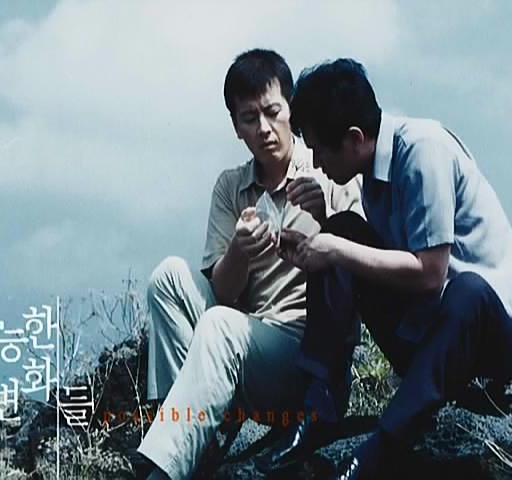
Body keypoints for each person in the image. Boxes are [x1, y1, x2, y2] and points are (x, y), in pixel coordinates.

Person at [255, 59, 512, 479]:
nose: (314, 162)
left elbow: (430, 274)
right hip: (431, 340)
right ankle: (319, 410)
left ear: (354, 138)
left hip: (487, 351)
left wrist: (338, 250)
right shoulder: (372, 170)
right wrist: (326, 233)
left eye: (320, 149)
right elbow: (383, 262)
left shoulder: (424, 151)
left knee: (467, 290)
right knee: (342, 228)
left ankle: (380, 449)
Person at [136, 49, 362, 480]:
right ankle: (196, 436)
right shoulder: (231, 187)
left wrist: (326, 220)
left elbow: (361, 266)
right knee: (168, 277)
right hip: (246, 340)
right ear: (236, 126)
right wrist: (240, 250)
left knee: (221, 325)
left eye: (272, 112)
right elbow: (222, 294)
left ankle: (165, 467)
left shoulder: (327, 168)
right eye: (249, 118)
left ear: (291, 109)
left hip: (302, 351)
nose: (263, 128)